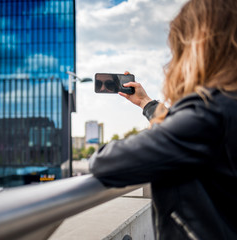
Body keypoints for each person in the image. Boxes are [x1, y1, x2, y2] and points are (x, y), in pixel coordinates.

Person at [89, 0, 237, 239]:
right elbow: (183, 132)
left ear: (195, 49)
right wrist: (146, 103)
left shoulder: (210, 113)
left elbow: (106, 162)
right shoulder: (224, 107)